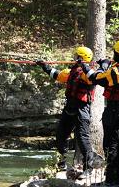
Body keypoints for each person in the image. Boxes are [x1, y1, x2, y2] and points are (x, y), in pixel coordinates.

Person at [79, 40, 119, 187]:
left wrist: (86, 67)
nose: (113, 55)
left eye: (115, 53)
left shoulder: (118, 70)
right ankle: (117, 179)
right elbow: (116, 77)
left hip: (116, 111)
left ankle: (110, 181)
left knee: (111, 145)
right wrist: (107, 65)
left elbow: (97, 78)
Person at [36, 46, 97, 179]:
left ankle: (89, 168)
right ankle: (62, 163)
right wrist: (44, 66)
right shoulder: (71, 71)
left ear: (81, 58)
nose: (74, 58)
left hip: (82, 109)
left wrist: (84, 66)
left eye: (77, 56)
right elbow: (57, 75)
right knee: (61, 135)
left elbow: (92, 78)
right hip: (70, 107)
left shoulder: (89, 72)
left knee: (82, 138)